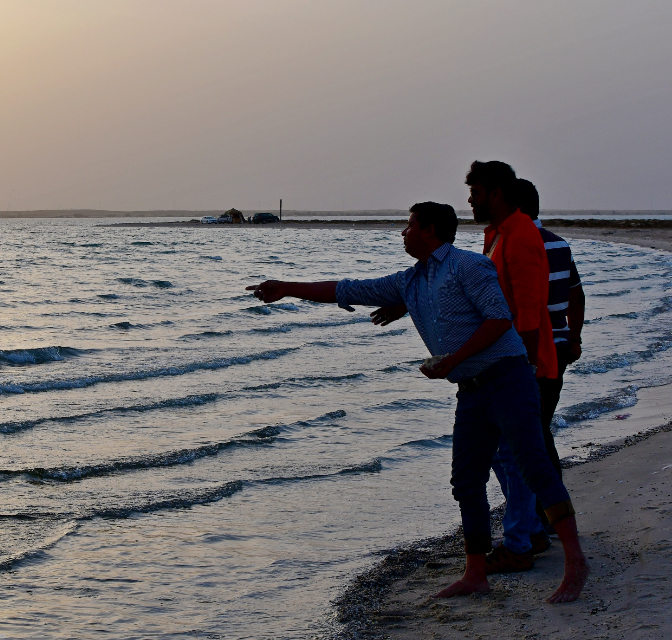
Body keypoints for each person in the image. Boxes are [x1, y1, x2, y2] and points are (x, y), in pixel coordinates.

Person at [246, 201, 589, 603]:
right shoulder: (412, 281)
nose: (403, 233)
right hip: (471, 389)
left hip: (509, 378)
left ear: (429, 230)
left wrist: (453, 359)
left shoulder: (469, 266)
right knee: (466, 481)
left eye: (409, 226)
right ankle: (475, 574)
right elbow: (348, 289)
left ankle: (575, 562)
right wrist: (286, 287)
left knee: (534, 467)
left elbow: (499, 319)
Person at [466, 161, 558, 573]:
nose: (470, 200)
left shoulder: (520, 236)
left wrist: (526, 372)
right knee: (499, 454)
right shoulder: (496, 234)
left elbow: (529, 314)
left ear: (497, 193)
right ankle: (531, 530)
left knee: (516, 456)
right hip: (501, 362)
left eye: (476, 192)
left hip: (521, 365)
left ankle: (519, 542)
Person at [517, 178, 585, 480]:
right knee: (540, 425)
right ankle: (546, 500)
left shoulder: (515, 245)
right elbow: (576, 295)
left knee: (535, 431)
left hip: (532, 349)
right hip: (559, 347)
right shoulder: (559, 244)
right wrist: (574, 338)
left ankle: (551, 501)